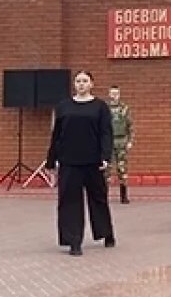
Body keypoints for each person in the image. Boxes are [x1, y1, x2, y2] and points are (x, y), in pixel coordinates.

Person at [43, 70, 116, 256]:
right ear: (74, 85)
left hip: (93, 161)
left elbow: (106, 133)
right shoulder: (64, 106)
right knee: (69, 201)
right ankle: (74, 240)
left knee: (98, 199)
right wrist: (51, 160)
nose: (81, 84)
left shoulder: (100, 107)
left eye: (85, 81)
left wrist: (106, 157)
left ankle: (106, 232)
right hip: (69, 161)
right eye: (78, 81)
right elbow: (56, 135)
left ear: (92, 84)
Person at [107, 85, 134, 204]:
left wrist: (130, 141)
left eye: (116, 94)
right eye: (112, 94)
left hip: (121, 140)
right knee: (106, 169)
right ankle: (104, 195)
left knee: (122, 168)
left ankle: (124, 196)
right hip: (108, 141)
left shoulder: (124, 108)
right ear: (109, 95)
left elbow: (130, 126)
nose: (114, 96)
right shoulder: (105, 109)